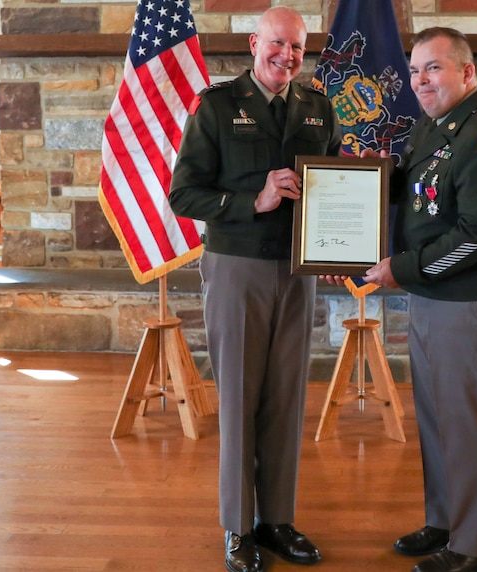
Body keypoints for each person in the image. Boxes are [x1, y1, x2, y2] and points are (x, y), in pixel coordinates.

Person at [334, 27, 477, 572]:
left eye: (435, 69)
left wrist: (399, 269)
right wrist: (371, 179)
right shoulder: (437, 127)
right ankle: (446, 521)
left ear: (467, 73)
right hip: (433, 297)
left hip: (466, 300)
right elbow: (419, 196)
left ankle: (475, 546)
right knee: (439, 419)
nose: (422, 81)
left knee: (467, 423)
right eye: (416, 71)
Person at [169, 7, 341, 572]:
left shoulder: (318, 107)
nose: (287, 56)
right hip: (237, 266)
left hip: (297, 270)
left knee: (287, 397)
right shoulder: (217, 106)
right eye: (277, 44)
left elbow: (337, 187)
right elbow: (184, 195)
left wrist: (342, 243)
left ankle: (277, 520)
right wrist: (253, 201)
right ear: (253, 43)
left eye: (296, 47)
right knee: (240, 397)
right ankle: (238, 526)